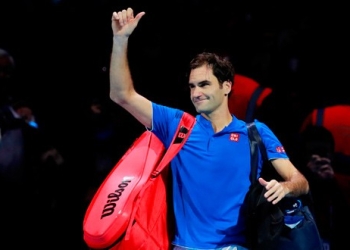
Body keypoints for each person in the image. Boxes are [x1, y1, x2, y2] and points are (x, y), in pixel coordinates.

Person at [109, 7, 309, 250]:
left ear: (226, 86)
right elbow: (122, 95)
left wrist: (285, 187)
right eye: (192, 86)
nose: (196, 93)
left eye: (204, 84)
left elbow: (300, 181)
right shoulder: (177, 125)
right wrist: (120, 40)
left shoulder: (255, 132)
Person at [296, 125, 350, 250]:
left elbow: (345, 223)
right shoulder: (293, 182)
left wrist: (332, 183)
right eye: (313, 153)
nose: (319, 159)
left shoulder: (338, 185)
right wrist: (308, 175)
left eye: (324, 153)